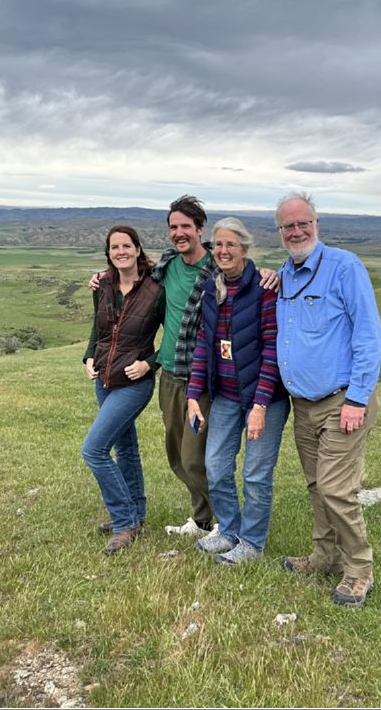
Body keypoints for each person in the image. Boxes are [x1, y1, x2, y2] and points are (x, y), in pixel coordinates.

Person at [90, 196, 278, 537]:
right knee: (176, 455)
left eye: (185, 227)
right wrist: (104, 275)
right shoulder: (166, 265)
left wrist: (268, 274)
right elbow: (132, 273)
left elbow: (243, 271)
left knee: (196, 457)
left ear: (199, 229)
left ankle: (224, 524)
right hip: (171, 374)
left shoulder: (215, 266)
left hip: (204, 378)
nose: (179, 233)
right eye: (173, 227)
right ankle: (203, 518)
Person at [274, 192, 381, 607]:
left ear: (316, 224)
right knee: (317, 484)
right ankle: (325, 555)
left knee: (338, 489)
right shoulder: (285, 275)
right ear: (280, 232)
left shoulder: (343, 267)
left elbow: (369, 336)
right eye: (289, 226)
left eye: (304, 223)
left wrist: (357, 398)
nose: (297, 231)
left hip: (343, 401)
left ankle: (359, 569)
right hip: (303, 405)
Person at [186, 218, 290, 565]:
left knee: (256, 475)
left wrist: (260, 404)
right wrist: (193, 394)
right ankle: (228, 530)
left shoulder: (264, 289)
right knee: (215, 466)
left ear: (245, 249)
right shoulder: (211, 288)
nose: (223, 251)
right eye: (218, 244)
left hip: (265, 399)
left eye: (231, 244)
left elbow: (273, 349)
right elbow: (204, 344)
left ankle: (252, 543)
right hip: (226, 396)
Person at [82, 225, 164, 555]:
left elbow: (173, 336)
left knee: (94, 450)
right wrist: (89, 356)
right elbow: (97, 328)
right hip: (104, 378)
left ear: (137, 248)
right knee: (125, 448)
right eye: (114, 247)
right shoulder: (102, 284)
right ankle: (137, 514)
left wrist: (150, 363)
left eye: (126, 246)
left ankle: (124, 521)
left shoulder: (156, 290)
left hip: (134, 383)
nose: (121, 252)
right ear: (109, 253)